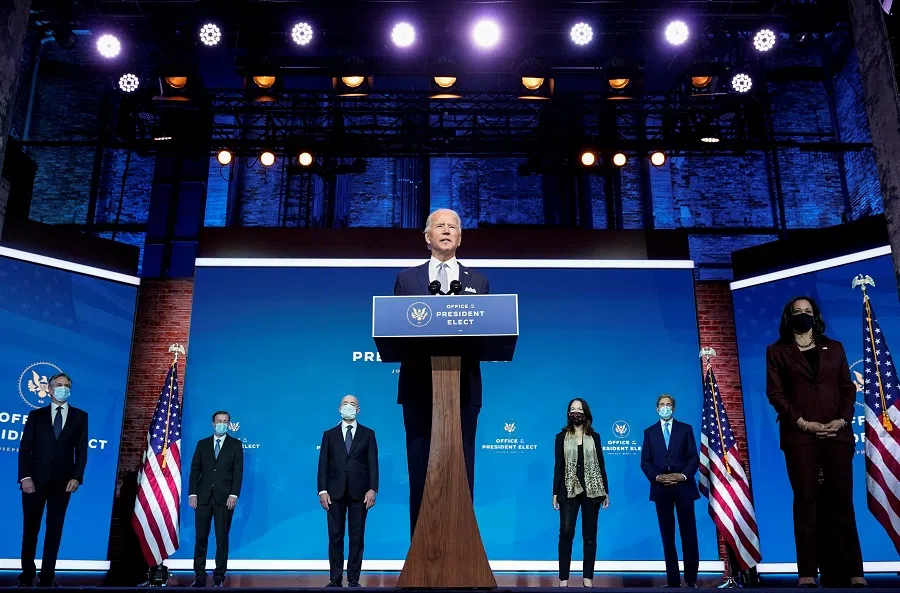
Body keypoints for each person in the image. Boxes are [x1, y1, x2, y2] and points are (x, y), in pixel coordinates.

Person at [393, 208, 489, 536]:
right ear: (427, 237)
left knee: (462, 472)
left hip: (463, 391)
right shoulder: (407, 279)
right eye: (440, 226)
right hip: (419, 390)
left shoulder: (478, 281)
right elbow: (396, 332)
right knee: (421, 471)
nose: (446, 231)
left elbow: (488, 334)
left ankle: (462, 556)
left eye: (453, 227)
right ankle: (420, 559)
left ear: (460, 237)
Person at [765, 296, 866, 588]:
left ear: (815, 316)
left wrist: (842, 420)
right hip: (800, 437)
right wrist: (803, 422)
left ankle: (853, 572)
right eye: (797, 312)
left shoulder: (834, 348)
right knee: (806, 502)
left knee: (842, 503)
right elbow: (776, 393)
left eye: (807, 311)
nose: (802, 315)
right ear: (789, 317)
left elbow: (847, 388)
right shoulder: (777, 351)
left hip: (837, 435)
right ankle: (807, 572)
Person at [17, 372, 88, 587]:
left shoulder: (80, 416)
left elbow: (82, 451)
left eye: (66, 385)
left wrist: (77, 477)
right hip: (34, 482)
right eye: (58, 385)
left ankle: (47, 576)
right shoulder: (36, 415)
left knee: (54, 529)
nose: (62, 388)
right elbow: (25, 449)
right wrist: (25, 477)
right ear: (49, 389)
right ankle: (27, 574)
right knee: (31, 528)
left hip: (63, 482)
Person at [317, 395, 379, 588]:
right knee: (335, 536)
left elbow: (373, 464)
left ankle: (353, 579)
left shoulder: (368, 434)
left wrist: (372, 488)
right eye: (346, 404)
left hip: (359, 493)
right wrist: (322, 490)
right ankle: (335, 579)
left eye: (353, 404)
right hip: (334, 493)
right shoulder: (329, 434)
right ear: (339, 408)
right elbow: (323, 466)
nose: (349, 407)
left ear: (358, 410)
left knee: (356, 536)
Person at [640, 394, 700, 589]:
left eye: (668, 404)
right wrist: (658, 477)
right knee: (668, 536)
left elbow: (693, 458)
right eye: (662, 405)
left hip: (683, 487)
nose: (665, 407)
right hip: (661, 489)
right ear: (657, 408)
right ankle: (673, 581)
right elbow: (645, 462)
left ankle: (691, 580)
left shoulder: (685, 429)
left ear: (673, 408)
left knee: (688, 534)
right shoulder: (649, 432)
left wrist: (682, 476)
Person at [552, 398, 610, 588]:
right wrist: (555, 493)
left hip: (592, 491)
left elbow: (601, 465)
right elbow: (558, 466)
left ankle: (588, 578)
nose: (575, 412)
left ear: (585, 413)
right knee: (566, 533)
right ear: (568, 414)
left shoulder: (595, 437)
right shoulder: (560, 437)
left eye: (579, 409)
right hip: (567, 490)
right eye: (572, 409)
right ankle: (563, 579)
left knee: (590, 535)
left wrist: (606, 492)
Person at [188, 410, 244, 588]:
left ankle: (219, 577)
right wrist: (193, 494)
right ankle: (199, 576)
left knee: (222, 539)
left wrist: (233, 494)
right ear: (213, 424)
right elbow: (195, 470)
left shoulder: (235, 445)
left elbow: (238, 472)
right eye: (219, 421)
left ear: (229, 424)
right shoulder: (202, 444)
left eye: (225, 421)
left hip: (224, 499)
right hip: (203, 498)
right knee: (201, 538)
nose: (222, 423)